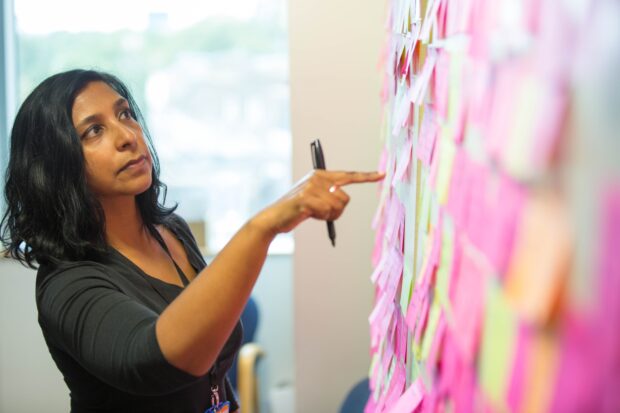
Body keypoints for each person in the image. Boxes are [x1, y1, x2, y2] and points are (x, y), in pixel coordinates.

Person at [0, 69, 384, 413]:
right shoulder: (67, 283)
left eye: (125, 114)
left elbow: (212, 371)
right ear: (54, 165)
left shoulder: (170, 231)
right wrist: (262, 228)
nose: (127, 137)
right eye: (93, 131)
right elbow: (159, 362)